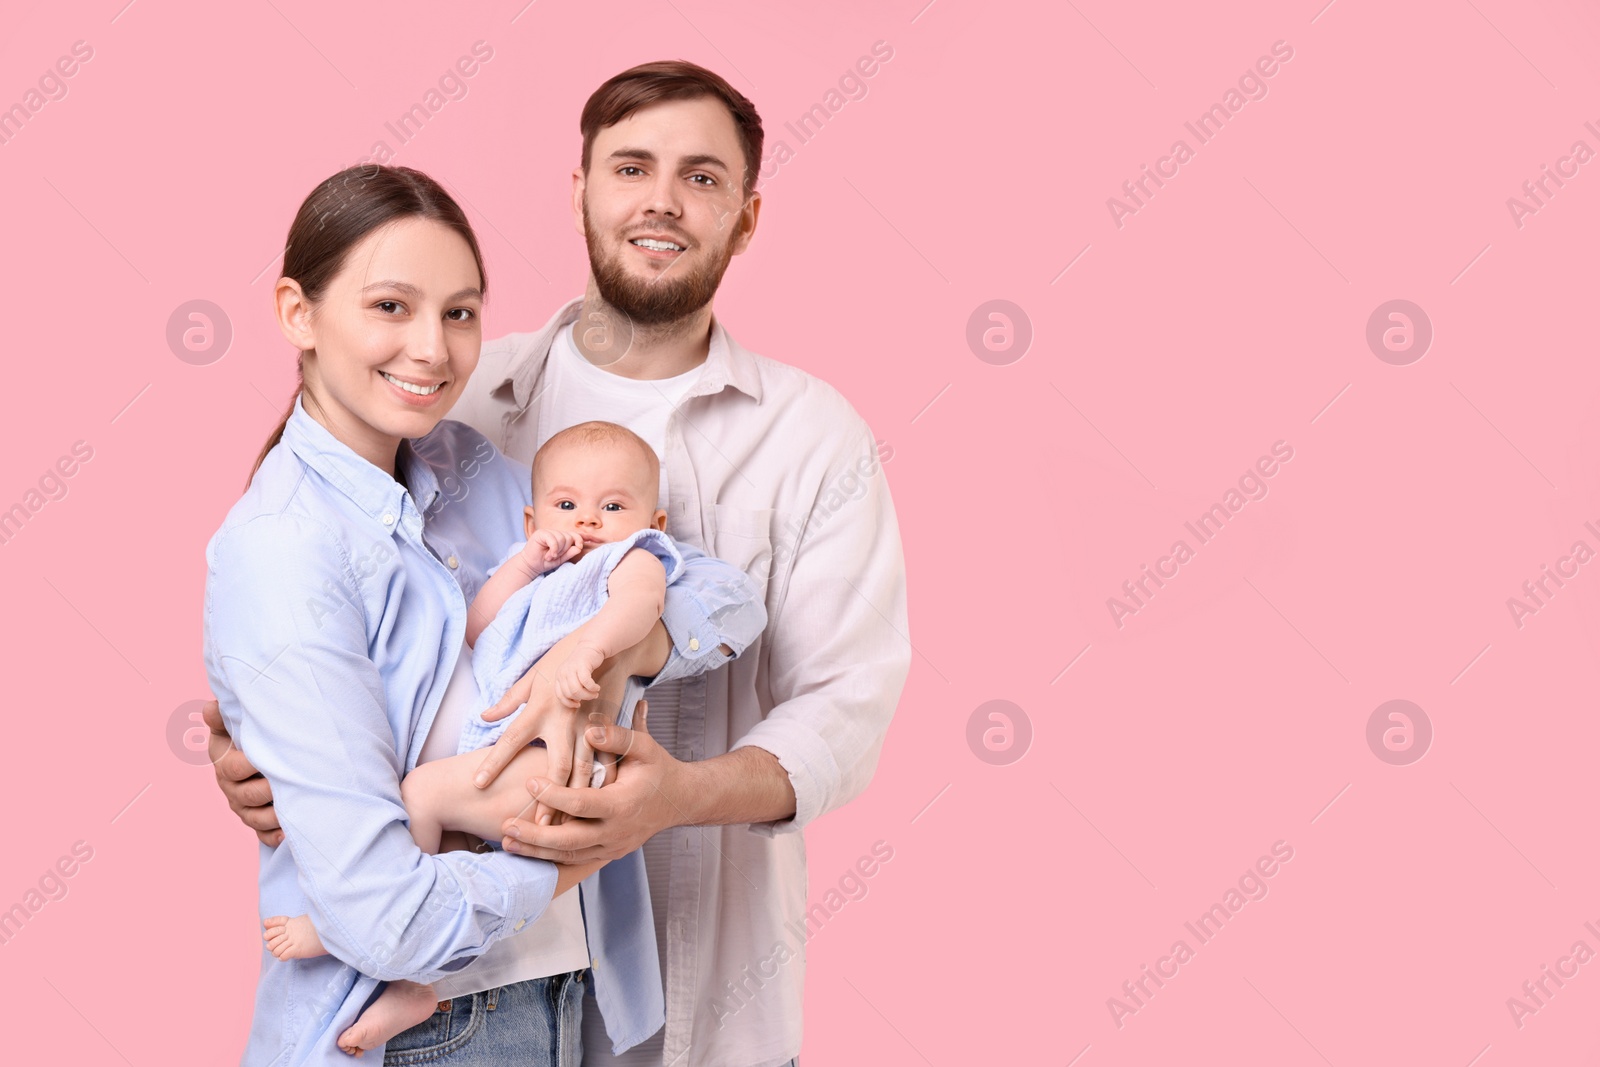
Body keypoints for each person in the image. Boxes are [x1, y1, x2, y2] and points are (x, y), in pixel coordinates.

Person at [208, 60, 911, 1067]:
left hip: (706, 981)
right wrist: (268, 751)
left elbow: (844, 707)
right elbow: (329, 614)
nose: (662, 200)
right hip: (475, 982)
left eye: (702, 177)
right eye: (631, 166)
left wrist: (629, 657)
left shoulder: (813, 435)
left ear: (746, 218)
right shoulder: (462, 398)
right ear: (579, 189)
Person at [205, 164, 759, 1065]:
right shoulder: (282, 550)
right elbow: (386, 917)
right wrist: (584, 850)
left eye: (460, 312)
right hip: (418, 1030)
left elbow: (718, 593)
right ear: (297, 314)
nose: (432, 348)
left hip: (555, 989)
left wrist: (612, 647)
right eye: (391, 306)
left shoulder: (461, 464)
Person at [258, 420, 765, 1057]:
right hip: (508, 759)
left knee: (423, 795)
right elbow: (476, 630)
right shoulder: (539, 572)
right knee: (443, 851)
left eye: (612, 506)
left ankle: (380, 959)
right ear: (533, 518)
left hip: (564, 766)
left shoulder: (631, 558)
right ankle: (383, 953)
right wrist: (525, 564)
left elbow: (638, 608)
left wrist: (592, 653)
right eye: (566, 505)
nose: (587, 522)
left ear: (652, 520)